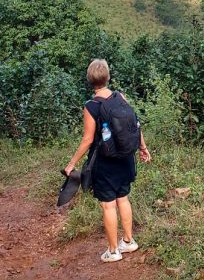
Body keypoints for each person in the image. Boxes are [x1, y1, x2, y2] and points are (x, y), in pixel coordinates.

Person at [64, 58, 151, 263]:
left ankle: (113, 251)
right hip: (126, 158)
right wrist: (143, 148)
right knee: (123, 198)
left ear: (89, 80)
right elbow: (135, 125)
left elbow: (88, 139)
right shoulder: (120, 97)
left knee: (108, 206)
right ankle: (128, 241)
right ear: (108, 77)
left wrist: (71, 164)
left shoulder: (91, 106)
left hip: (105, 163)